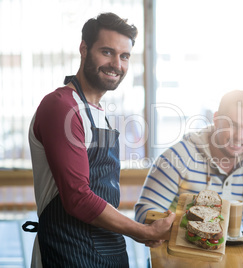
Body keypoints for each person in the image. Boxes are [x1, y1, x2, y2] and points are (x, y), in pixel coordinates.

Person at [27, 13, 175, 267]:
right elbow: (78, 198)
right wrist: (144, 232)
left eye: (124, 56)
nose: (116, 64)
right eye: (107, 52)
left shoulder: (99, 114)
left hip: (108, 252)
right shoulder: (60, 106)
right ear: (84, 49)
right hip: (66, 253)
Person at [135, 90, 243, 234]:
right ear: (216, 120)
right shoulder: (177, 158)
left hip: (231, 255)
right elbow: (146, 213)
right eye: (232, 125)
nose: (240, 136)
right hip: (177, 254)